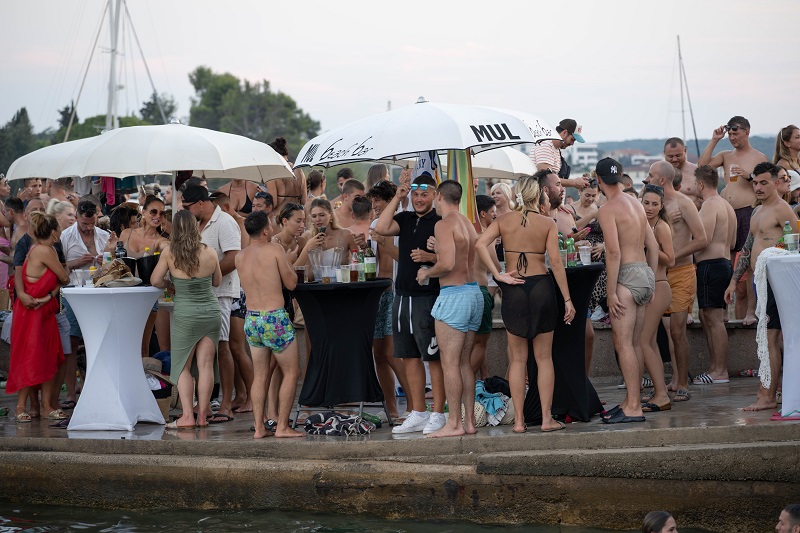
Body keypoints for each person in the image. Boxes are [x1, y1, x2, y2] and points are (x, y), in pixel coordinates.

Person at [476, 175, 574, 432]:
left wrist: (497, 274)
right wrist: (567, 299)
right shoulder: (547, 223)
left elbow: (480, 244)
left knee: (518, 360)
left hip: (514, 289)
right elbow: (555, 263)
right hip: (541, 287)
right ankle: (545, 419)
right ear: (538, 195)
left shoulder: (503, 220)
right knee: (543, 359)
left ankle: (519, 421)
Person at [374, 173, 445, 435]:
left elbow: (458, 255)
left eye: (424, 194)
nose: (418, 198)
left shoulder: (441, 221)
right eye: (415, 194)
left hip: (429, 297)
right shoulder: (403, 218)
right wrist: (397, 196)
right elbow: (380, 229)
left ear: (435, 195)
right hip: (402, 295)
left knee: (433, 357)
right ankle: (418, 412)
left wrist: (431, 255)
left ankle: (438, 413)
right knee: (408, 356)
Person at [724, 162, 796, 411]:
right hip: (759, 281)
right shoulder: (757, 212)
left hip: (777, 282)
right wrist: (734, 281)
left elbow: (796, 245)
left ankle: (767, 395)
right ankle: (771, 392)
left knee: (771, 338)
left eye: (764, 182)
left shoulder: (783, 210)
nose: (758, 187)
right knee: (767, 340)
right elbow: (747, 248)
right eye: (755, 182)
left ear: (777, 182)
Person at [416, 181, 483, 438]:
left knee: (450, 364)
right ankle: (468, 423)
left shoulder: (443, 224)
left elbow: (446, 264)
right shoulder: (467, 223)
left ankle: (453, 423)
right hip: (473, 293)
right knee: (465, 363)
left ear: (440, 196)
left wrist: (426, 272)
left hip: (454, 296)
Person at [595, 158, 658, 424]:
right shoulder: (636, 203)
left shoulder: (608, 209)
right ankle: (630, 400)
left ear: (598, 180)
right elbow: (652, 246)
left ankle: (634, 405)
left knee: (623, 344)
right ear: (620, 178)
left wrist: (610, 293)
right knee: (634, 343)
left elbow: (613, 252)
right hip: (644, 272)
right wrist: (651, 279)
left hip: (626, 276)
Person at [236, 210, 305, 439]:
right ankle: (283, 426)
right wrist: (292, 258)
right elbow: (292, 283)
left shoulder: (240, 256)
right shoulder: (274, 249)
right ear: (266, 230)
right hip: (274, 317)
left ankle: (258, 428)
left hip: (252, 318)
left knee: (260, 375)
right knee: (291, 371)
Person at [151, 210, 222, 429]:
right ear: (194, 227)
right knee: (206, 365)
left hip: (186, 315)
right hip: (210, 312)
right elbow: (217, 282)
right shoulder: (209, 252)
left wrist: (169, 284)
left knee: (182, 367)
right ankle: (202, 415)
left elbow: (155, 280)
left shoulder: (170, 252)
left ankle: (187, 417)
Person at [647, 161, 707, 402]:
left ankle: (682, 382)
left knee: (677, 330)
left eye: (650, 175)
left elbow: (701, 239)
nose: (647, 178)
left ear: (662, 180)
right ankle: (668, 381)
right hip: (658, 276)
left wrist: (673, 256)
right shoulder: (651, 204)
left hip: (681, 272)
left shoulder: (684, 203)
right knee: (661, 331)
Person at [181, 185, 242, 424]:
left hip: (221, 293)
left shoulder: (224, 222)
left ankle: (226, 403)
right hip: (201, 294)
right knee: (203, 351)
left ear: (200, 203)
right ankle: (202, 403)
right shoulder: (196, 224)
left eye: (187, 207)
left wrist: (205, 276)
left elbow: (234, 257)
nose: (185, 211)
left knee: (223, 347)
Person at [699, 116, 768, 324]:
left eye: (735, 133)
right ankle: (725, 313)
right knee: (726, 263)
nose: (731, 137)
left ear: (747, 132)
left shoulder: (759, 156)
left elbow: (768, 183)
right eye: (729, 133)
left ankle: (749, 312)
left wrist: (748, 176)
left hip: (749, 211)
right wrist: (714, 140)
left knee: (747, 265)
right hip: (728, 212)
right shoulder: (725, 155)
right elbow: (702, 169)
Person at [7, 211, 70, 422]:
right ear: (53, 232)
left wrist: (49, 296)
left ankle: (41, 406)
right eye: (59, 229)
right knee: (31, 357)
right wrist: (48, 296)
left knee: (45, 357)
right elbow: (64, 277)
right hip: (33, 312)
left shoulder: (41, 248)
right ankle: (23, 406)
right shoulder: (45, 250)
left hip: (40, 311)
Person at [366, 180, 408, 419]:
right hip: (377, 292)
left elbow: (403, 259)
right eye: (372, 200)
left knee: (392, 353)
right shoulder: (374, 224)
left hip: (395, 291)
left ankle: (414, 405)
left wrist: (382, 242)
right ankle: (391, 409)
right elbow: (375, 258)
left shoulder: (403, 221)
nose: (374, 205)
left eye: (378, 200)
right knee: (379, 354)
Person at [692, 165, 736, 385]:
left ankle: (720, 370)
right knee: (708, 317)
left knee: (714, 319)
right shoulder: (726, 205)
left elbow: (703, 239)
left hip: (711, 265)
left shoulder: (709, 205)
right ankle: (715, 367)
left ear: (701, 184)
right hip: (724, 262)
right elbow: (735, 241)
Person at [638, 184, 675, 413]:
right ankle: (659, 392)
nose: (650, 208)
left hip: (660, 287)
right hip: (648, 287)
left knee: (643, 341)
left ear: (661, 207)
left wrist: (648, 243)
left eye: (655, 204)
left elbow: (670, 259)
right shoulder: (642, 224)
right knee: (649, 342)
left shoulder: (661, 227)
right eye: (646, 203)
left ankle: (661, 394)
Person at [471, 194, 499, 379]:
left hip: (462, 290)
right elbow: (496, 268)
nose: (494, 216)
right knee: (480, 344)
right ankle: (461, 381)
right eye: (492, 213)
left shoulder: (464, 233)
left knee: (470, 344)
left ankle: (484, 378)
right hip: (479, 291)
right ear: (482, 214)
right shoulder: (485, 238)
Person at [295, 198, 360, 271]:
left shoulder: (346, 235)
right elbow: (298, 268)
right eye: (314, 216)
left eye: (322, 215)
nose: (318, 219)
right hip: (316, 281)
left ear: (331, 216)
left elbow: (360, 262)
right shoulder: (307, 237)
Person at [530, 118, 590, 189]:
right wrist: (574, 182)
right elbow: (546, 178)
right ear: (564, 133)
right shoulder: (545, 147)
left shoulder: (557, 150)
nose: (572, 143)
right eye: (572, 139)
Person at [266, 137, 307, 214]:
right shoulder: (299, 171)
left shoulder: (272, 173)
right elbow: (303, 201)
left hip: (280, 218)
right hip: (297, 217)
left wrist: (264, 195)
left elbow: (272, 204)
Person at [664, 137, 699, 207]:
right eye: (670, 156)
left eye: (678, 156)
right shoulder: (657, 171)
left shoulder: (697, 172)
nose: (674, 159)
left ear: (685, 151)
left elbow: (708, 199)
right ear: (664, 153)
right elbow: (642, 196)